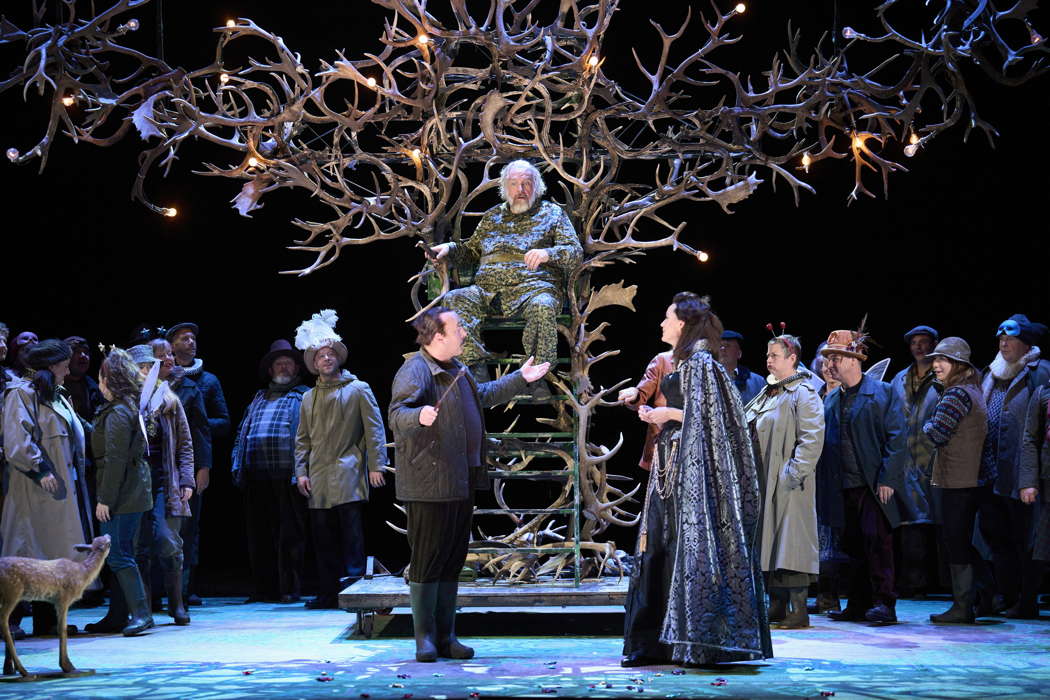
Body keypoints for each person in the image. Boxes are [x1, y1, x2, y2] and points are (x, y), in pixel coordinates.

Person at [389, 306, 549, 662]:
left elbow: (484, 395)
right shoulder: (416, 370)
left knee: (451, 559)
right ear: (438, 335)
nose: (464, 333)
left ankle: (447, 637)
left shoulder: (457, 370)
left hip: (459, 479)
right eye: (458, 328)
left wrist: (521, 377)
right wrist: (418, 415)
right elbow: (397, 415)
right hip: (429, 483)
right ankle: (424, 639)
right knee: (429, 559)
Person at [622, 293, 771, 667]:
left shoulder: (702, 362)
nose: (662, 324)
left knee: (681, 550)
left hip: (692, 474)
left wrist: (666, 412)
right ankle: (650, 643)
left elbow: (716, 419)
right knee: (654, 548)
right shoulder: (679, 362)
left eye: (667, 318)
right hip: (669, 468)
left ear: (684, 324)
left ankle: (691, 642)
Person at [429, 160, 582, 383]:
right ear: (505, 187)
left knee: (543, 306)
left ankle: (538, 376)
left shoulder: (552, 214)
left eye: (527, 183)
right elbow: (471, 251)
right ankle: (474, 370)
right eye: (514, 183)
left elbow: (575, 252)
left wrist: (548, 253)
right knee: (455, 299)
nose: (521, 190)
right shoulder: (492, 217)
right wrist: (449, 249)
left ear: (537, 186)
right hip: (488, 291)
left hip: (533, 290)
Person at [294, 310, 389, 610]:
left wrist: (376, 465)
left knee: (351, 534)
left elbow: (375, 430)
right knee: (322, 537)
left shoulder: (358, 389)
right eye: (320, 355)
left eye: (330, 354)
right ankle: (326, 591)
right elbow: (302, 439)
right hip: (319, 477)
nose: (326, 359)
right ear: (314, 364)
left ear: (338, 358)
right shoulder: (309, 397)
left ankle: (353, 588)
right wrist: (300, 472)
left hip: (348, 471)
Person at [1, 339, 95, 636]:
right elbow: (17, 441)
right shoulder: (21, 394)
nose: (68, 370)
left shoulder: (57, 395)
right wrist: (40, 469)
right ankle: (10, 621)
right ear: (52, 365)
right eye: (65, 365)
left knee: (53, 556)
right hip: (35, 490)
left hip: (63, 491)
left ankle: (49, 622)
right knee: (28, 552)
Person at [817, 329, 907, 624]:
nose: (830, 365)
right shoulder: (832, 401)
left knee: (878, 544)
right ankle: (857, 603)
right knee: (852, 548)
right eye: (828, 359)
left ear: (854, 360)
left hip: (872, 484)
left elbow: (897, 437)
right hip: (844, 486)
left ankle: (885, 603)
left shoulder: (882, 393)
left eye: (836, 358)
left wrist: (887, 479)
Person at [745, 333, 825, 629]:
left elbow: (812, 439)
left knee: (791, 542)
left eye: (775, 355)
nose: (768, 360)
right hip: (765, 481)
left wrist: (792, 474)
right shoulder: (769, 392)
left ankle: (798, 609)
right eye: (767, 355)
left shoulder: (803, 393)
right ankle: (776, 604)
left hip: (789, 484)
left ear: (792, 359)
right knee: (770, 542)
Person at [979, 314, 1050, 618]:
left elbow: (1037, 428)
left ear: (1026, 344)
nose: (1003, 344)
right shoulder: (992, 372)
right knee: (996, 537)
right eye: (1000, 339)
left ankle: (1026, 599)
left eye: (1010, 339)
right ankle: (1004, 594)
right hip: (991, 471)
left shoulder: (1040, 373)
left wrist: (1029, 476)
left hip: (1022, 472)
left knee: (1026, 539)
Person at [232, 340, 311, 604]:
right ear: (270, 369)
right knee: (259, 536)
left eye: (288, 363)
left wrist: (303, 470)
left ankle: (289, 588)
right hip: (257, 476)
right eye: (279, 363)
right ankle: (263, 588)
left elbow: (308, 436)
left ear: (297, 368)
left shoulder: (303, 396)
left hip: (287, 475)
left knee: (289, 535)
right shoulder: (258, 397)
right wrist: (237, 464)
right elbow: (242, 432)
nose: (284, 367)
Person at [85, 348, 155, 636]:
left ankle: (142, 614)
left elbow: (115, 459)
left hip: (123, 495)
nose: (98, 383)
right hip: (132, 490)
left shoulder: (118, 412)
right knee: (119, 555)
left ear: (109, 379)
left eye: (101, 378)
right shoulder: (125, 408)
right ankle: (117, 615)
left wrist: (105, 499)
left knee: (119, 555)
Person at [920, 337, 988, 624]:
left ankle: (963, 605)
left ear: (958, 365)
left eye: (943, 360)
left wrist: (925, 424)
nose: (935, 365)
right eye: (936, 360)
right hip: (967, 478)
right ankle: (982, 597)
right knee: (962, 541)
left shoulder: (956, 394)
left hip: (958, 480)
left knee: (956, 541)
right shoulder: (971, 390)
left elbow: (937, 433)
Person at [130, 344, 195, 626]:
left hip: (164, 480)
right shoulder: (125, 401)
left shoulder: (169, 401)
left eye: (150, 367)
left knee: (168, 541)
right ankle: (143, 610)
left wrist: (186, 479)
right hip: (134, 483)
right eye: (142, 368)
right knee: (138, 546)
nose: (146, 372)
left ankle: (176, 603)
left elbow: (185, 444)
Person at [167, 322, 229, 606]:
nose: (191, 342)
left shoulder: (207, 381)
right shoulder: (161, 379)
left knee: (190, 528)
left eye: (193, 338)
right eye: (184, 338)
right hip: (163, 458)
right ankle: (160, 588)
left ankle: (185, 588)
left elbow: (222, 422)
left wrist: (190, 427)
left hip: (191, 460)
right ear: (171, 345)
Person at [889, 325, 940, 598]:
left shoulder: (943, 375)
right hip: (906, 461)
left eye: (924, 342)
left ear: (934, 344)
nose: (919, 347)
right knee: (910, 524)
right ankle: (913, 582)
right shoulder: (899, 379)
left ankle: (938, 582)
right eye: (914, 343)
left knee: (938, 523)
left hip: (934, 458)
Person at [1019, 373, 1050, 602]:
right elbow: (1030, 438)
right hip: (1048, 480)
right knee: (1040, 542)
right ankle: (1027, 601)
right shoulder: (1043, 392)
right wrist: (1028, 481)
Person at [618, 349, 673, 471]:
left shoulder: (707, 363)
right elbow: (641, 394)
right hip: (663, 444)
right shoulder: (663, 360)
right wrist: (635, 394)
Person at [62, 336, 104, 422]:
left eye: (86, 352)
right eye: (76, 352)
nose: (83, 356)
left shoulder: (95, 388)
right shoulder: (52, 386)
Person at [719, 330, 765, 404]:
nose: (723, 349)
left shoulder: (757, 381)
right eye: (720, 346)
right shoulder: (706, 379)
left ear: (739, 354)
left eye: (727, 346)